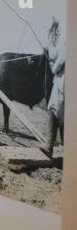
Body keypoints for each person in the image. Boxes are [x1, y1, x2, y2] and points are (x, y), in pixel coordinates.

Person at [44, 17, 65, 157]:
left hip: (62, 83)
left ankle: (49, 147)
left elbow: (56, 67)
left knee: (55, 111)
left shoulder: (68, 45)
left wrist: (49, 47)